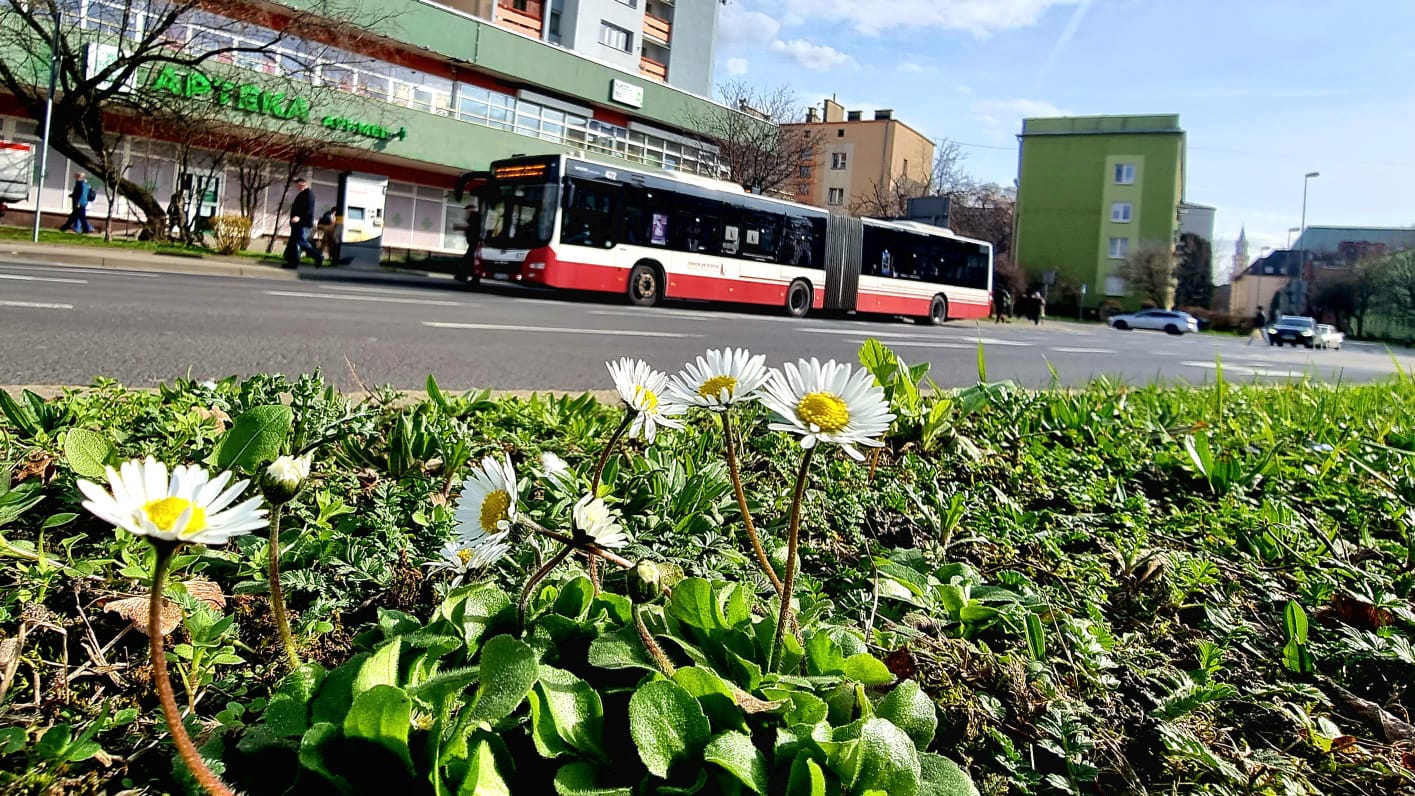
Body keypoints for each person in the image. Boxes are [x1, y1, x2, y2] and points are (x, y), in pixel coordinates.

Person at [283, 177, 322, 269]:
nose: (297, 186)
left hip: (303, 224)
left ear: (303, 183)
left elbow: (308, 209)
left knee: (300, 242)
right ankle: (291, 262)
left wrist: (299, 217)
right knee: (293, 243)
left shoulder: (308, 194)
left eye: (298, 184)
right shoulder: (302, 194)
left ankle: (318, 256)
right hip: (298, 224)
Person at [453, 202, 481, 283]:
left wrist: (460, 227)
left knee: (468, 260)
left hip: (474, 243)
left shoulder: (474, 215)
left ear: (471, 209)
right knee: (470, 260)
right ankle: (469, 277)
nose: (466, 212)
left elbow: (473, 227)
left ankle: (464, 276)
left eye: (467, 210)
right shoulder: (474, 216)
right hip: (473, 242)